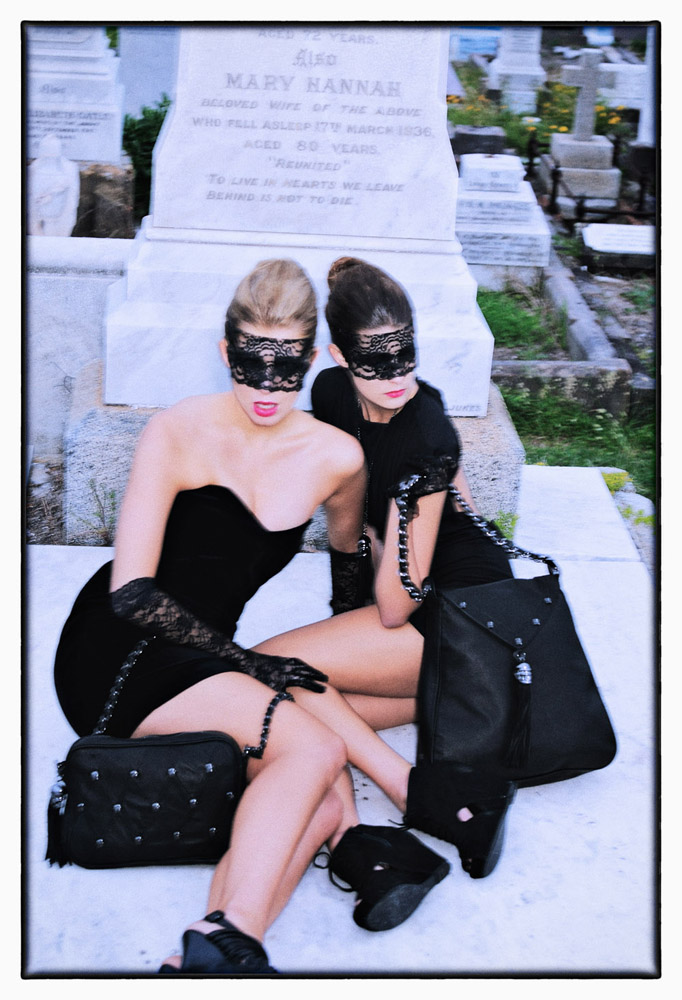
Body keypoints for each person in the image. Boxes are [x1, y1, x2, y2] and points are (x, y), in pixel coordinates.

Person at [52, 258, 453, 977]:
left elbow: (346, 555)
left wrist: (348, 628)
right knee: (315, 751)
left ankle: (220, 947)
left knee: (324, 801)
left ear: (312, 357)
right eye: (250, 364)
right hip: (120, 651)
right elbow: (131, 592)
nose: (267, 389)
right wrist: (249, 665)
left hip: (208, 659)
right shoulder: (179, 429)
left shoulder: (334, 456)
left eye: (287, 367)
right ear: (224, 351)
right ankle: (235, 925)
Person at [254, 256, 518, 880]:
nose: (396, 376)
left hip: (465, 621)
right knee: (283, 712)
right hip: (429, 610)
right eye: (375, 359)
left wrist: (405, 506)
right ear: (338, 357)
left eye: (407, 355)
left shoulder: (425, 432)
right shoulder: (329, 396)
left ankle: (416, 793)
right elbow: (345, 521)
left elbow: (398, 604)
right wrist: (347, 613)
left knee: (269, 670)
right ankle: (444, 724)